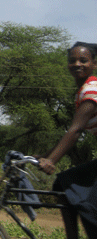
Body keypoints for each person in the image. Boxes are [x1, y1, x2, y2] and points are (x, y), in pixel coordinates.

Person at [39, 42, 97, 238]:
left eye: (83, 60)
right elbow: (70, 133)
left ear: (94, 64)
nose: (77, 64)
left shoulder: (92, 89)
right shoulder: (83, 91)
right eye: (72, 61)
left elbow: (76, 130)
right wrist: (44, 156)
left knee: (88, 206)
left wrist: (51, 161)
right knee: (63, 183)